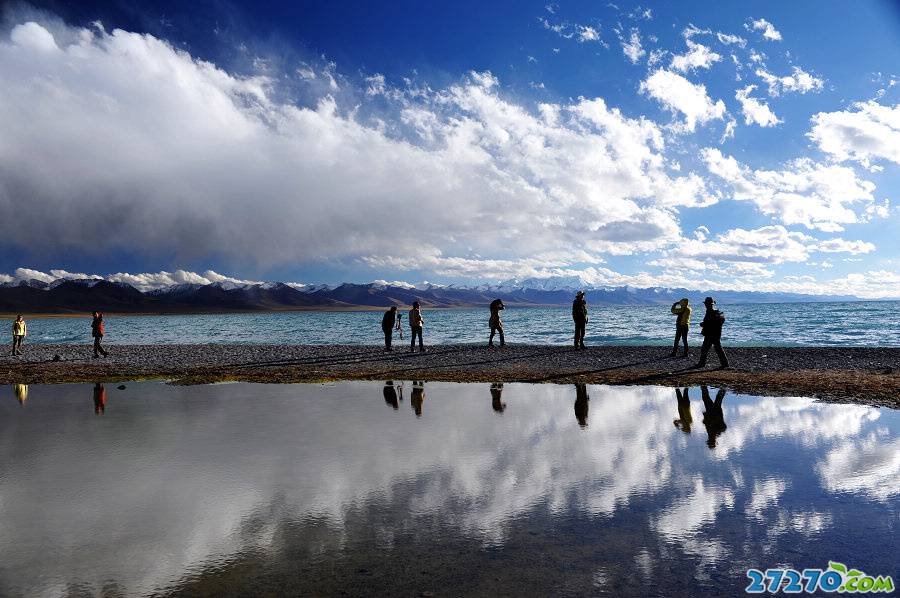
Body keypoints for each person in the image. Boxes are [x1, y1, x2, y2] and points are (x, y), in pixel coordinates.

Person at [695, 297, 728, 369]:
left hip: (711, 334)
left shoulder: (711, 312)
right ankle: (725, 364)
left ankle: (702, 363)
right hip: (714, 334)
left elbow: (710, 323)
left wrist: (703, 324)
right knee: (717, 348)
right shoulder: (715, 312)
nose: (706, 305)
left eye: (706, 304)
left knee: (705, 349)